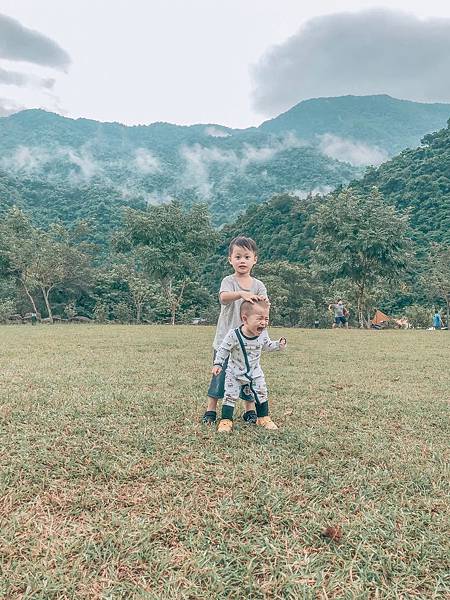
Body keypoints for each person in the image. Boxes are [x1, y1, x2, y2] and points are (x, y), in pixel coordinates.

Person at [202, 236, 269, 425]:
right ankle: (211, 410)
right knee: (219, 375)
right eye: (238, 256)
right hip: (225, 339)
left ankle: (249, 411)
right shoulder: (228, 281)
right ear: (230, 259)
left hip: (248, 343)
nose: (242, 261)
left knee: (249, 375)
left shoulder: (259, 285)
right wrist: (241, 294)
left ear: (255, 259)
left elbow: (264, 308)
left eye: (247, 257)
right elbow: (223, 298)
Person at [212, 299, 286, 433]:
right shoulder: (233, 335)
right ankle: (226, 420)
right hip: (234, 373)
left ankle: (263, 417)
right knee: (230, 395)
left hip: (255, 373)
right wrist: (218, 363)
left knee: (262, 393)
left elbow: (267, 345)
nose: (263, 322)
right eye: (259, 319)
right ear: (245, 319)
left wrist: (277, 345)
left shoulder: (262, 334)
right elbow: (223, 349)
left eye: (266, 319)